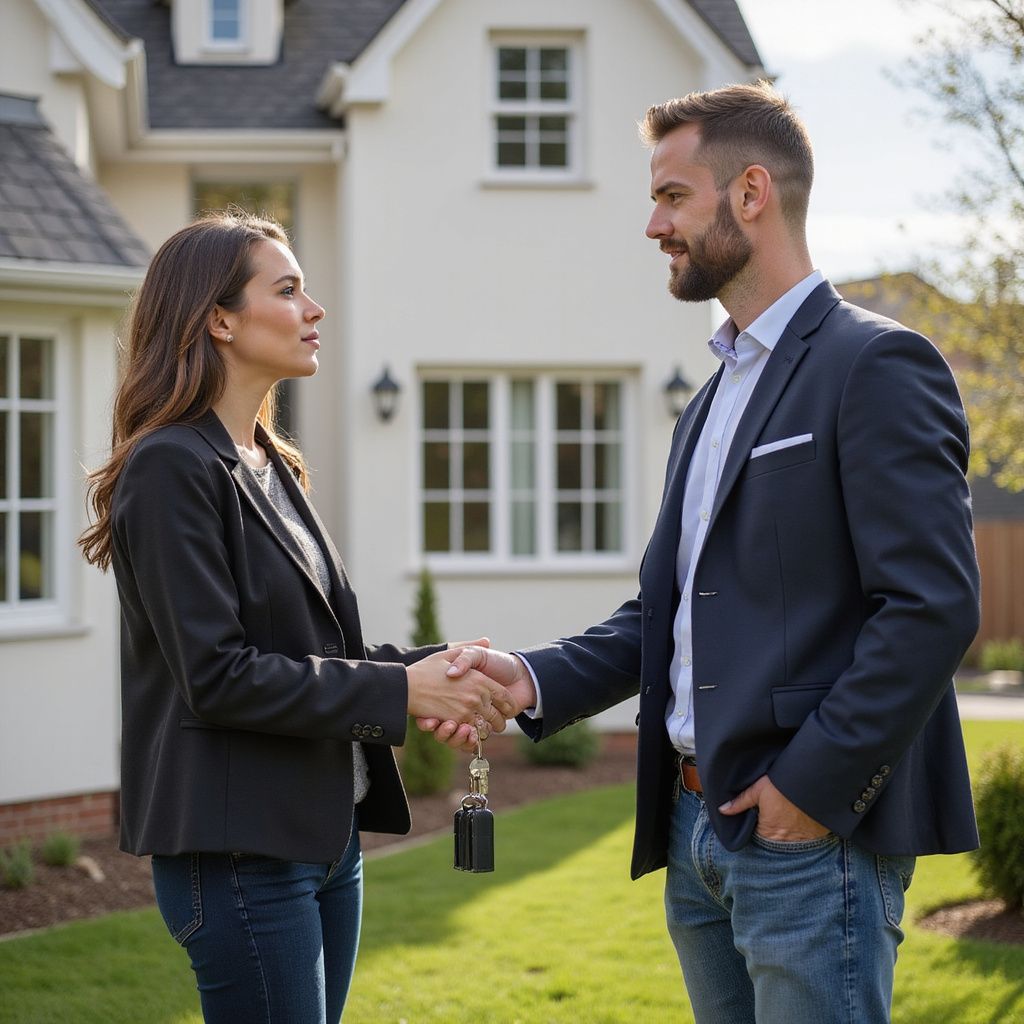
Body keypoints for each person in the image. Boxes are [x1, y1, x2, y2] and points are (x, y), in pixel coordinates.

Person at [429, 81, 981, 1023]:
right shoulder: (711, 394)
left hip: (808, 840)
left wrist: (809, 791)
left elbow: (931, 608)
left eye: (673, 196)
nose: (654, 224)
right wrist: (529, 678)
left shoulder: (876, 365)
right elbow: (672, 609)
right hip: (696, 830)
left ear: (751, 193)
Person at [79, 211, 513, 1024]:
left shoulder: (270, 462)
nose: (315, 309)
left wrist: (437, 668)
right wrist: (402, 694)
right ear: (219, 318)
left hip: (322, 837)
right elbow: (218, 676)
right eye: (288, 290)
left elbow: (314, 651)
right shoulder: (171, 465)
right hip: (241, 854)